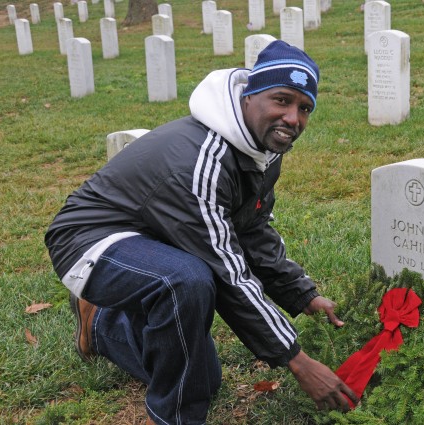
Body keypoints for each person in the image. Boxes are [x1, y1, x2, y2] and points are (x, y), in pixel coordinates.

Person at [45, 40, 359, 425]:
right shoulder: (201, 161)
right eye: (282, 100)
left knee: (203, 379)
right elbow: (228, 270)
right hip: (90, 240)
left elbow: (251, 230)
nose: (293, 118)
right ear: (249, 96)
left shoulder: (259, 151)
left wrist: (302, 294)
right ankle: (175, 418)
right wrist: (296, 360)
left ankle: (100, 327)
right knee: (189, 281)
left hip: (155, 238)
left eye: (304, 108)